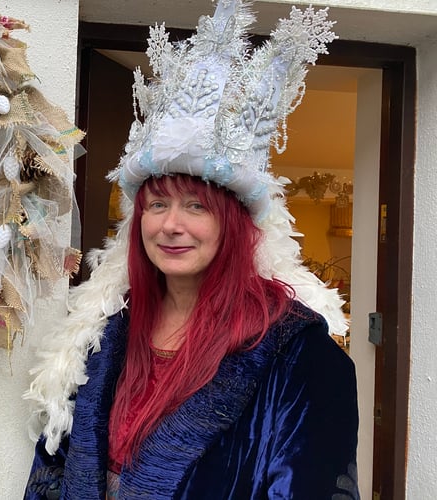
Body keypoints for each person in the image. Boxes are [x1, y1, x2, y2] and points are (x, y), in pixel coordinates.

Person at [24, 1, 359, 499]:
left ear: (236, 224)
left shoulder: (300, 355)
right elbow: (53, 472)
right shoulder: (107, 333)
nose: (171, 225)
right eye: (156, 204)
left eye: (197, 206)